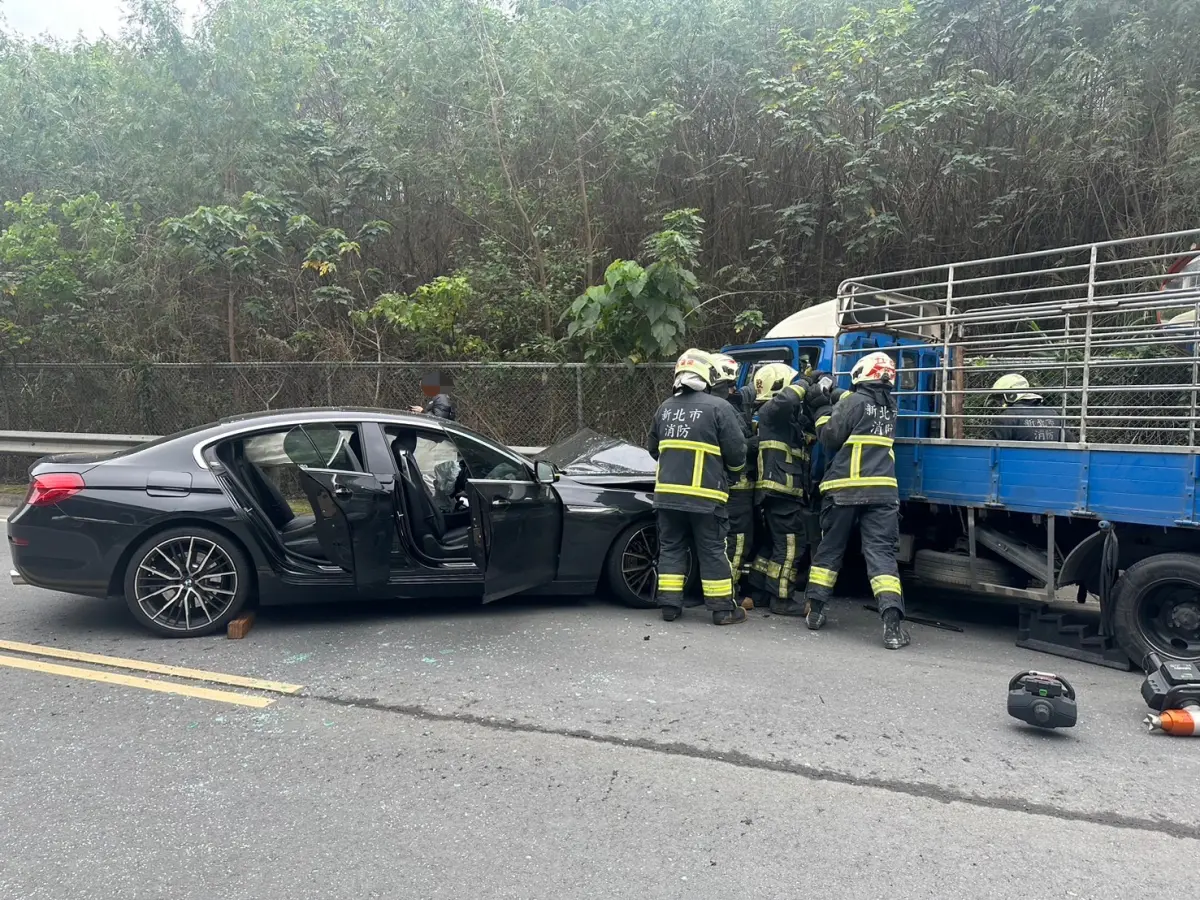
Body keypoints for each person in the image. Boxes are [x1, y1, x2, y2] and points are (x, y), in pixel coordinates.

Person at [802, 351, 910, 650]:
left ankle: (815, 611)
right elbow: (859, 405)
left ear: (861, 373)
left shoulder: (853, 402)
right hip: (883, 493)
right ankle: (892, 627)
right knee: (881, 556)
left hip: (844, 489)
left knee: (830, 551)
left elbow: (829, 438)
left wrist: (821, 407)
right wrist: (834, 391)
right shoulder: (890, 406)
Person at [648, 349, 748, 625]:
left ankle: (669, 606)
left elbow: (653, 449)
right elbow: (737, 452)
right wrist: (732, 475)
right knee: (712, 549)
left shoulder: (664, 408)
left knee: (671, 547)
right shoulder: (719, 407)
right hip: (706, 497)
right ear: (708, 375)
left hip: (667, 497)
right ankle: (722, 610)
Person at [746, 362, 812, 616]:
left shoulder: (781, 420)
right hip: (781, 492)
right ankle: (782, 599)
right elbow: (786, 401)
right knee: (791, 545)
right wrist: (805, 382)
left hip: (777, 493)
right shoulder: (772, 413)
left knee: (773, 544)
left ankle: (759, 591)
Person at [709, 353, 758, 607]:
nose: (735, 389)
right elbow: (738, 448)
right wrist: (757, 440)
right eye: (731, 384)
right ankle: (730, 592)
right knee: (737, 540)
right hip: (736, 488)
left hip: (712, 486)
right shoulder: (725, 409)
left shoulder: (701, 405)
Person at [990, 374, 1068, 441]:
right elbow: (1070, 443)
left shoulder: (1007, 417)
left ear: (1010, 395)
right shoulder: (1053, 414)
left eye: (1000, 398)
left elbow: (994, 446)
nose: (999, 403)